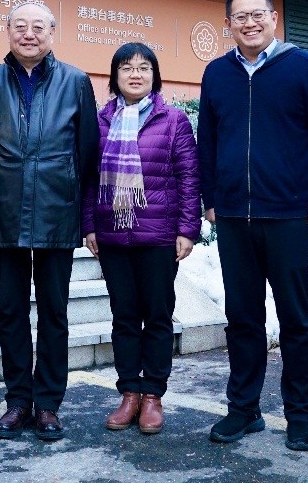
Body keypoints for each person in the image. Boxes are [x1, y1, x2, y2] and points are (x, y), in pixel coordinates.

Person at [197, 0, 308, 452]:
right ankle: (244, 409)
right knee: (242, 317)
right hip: (233, 216)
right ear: (228, 24)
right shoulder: (217, 73)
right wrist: (210, 198)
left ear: (274, 18)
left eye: (257, 14)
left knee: (296, 319)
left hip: (289, 215)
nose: (250, 23)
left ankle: (300, 415)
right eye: (240, 17)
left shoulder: (304, 66)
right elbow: (207, 141)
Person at [0, 1, 99, 441]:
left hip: (56, 211)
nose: (28, 34)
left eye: (38, 27)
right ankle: (17, 401)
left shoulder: (75, 81)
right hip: (6, 211)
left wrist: (81, 211)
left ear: (52, 32)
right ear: (8, 31)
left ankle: (47, 403)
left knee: (53, 312)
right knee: (10, 312)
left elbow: (88, 153)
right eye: (20, 26)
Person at [82, 43, 200, 435]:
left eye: (144, 67)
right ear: (114, 76)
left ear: (155, 75)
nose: (136, 74)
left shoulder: (173, 120)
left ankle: (153, 395)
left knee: (158, 315)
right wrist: (89, 225)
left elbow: (188, 177)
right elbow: (88, 178)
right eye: (127, 67)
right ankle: (129, 393)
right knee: (124, 317)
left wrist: (187, 229)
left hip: (159, 236)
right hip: (113, 235)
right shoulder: (99, 121)